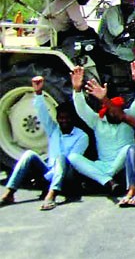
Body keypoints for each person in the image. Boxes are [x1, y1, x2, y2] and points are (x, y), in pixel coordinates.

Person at [0, 76, 88, 210]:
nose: (64, 121)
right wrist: (38, 93)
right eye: (61, 118)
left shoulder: (81, 136)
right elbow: (42, 113)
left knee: (62, 158)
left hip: (68, 177)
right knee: (29, 154)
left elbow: (74, 161)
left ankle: (52, 195)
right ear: (57, 119)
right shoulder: (54, 130)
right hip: (49, 172)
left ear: (72, 119)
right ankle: (10, 192)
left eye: (67, 118)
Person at [67, 65, 135, 197]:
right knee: (73, 157)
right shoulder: (97, 121)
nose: (117, 113)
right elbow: (81, 109)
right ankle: (107, 180)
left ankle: (104, 179)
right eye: (113, 110)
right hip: (102, 165)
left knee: (129, 148)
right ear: (106, 111)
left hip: (122, 165)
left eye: (119, 109)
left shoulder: (128, 116)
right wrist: (77, 89)